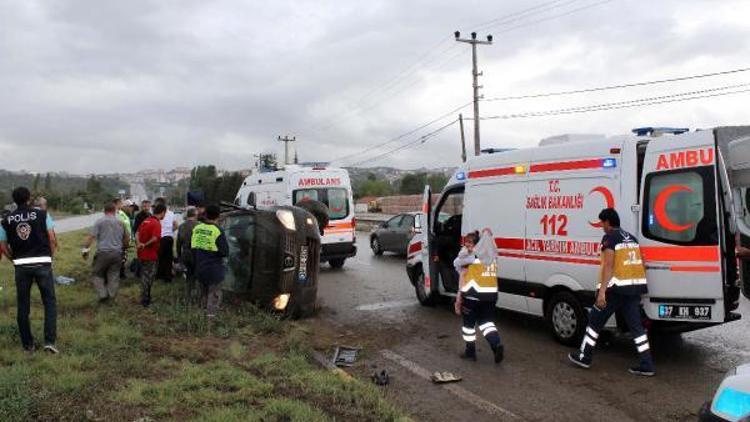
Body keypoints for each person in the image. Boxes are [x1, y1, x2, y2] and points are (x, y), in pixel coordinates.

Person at [569, 208, 655, 376]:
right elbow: (642, 264)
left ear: (608, 222)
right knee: (637, 329)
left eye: (602, 222)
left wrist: (602, 293)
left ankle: (584, 356)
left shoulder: (610, 238)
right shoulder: (632, 239)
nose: (601, 225)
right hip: (633, 291)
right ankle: (647, 365)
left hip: (615, 291)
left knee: (594, 322)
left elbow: (608, 266)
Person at [0, 187, 58, 353]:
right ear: (29, 198)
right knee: (49, 303)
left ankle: (28, 345)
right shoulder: (41, 214)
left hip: (21, 265)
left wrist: (14, 260)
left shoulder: (6, 220)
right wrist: (49, 258)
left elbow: (3, 247)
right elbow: (52, 239)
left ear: (14, 200)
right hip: (43, 263)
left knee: (23, 305)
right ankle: (50, 343)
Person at [453, 230, 504, 363]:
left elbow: (456, 263)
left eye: (469, 242)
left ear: (476, 244)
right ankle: (496, 344)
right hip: (490, 297)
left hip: (473, 297)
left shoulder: (471, 256)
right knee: (486, 323)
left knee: (468, 326)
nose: (467, 245)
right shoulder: (493, 256)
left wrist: (466, 251)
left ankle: (470, 352)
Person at [82, 202, 130, 303]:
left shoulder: (100, 221)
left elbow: (91, 237)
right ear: (115, 211)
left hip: (103, 253)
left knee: (97, 274)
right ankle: (111, 296)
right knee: (114, 275)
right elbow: (127, 237)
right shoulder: (121, 222)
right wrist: (124, 248)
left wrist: (85, 250)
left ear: (104, 211)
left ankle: (103, 294)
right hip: (117, 253)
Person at [191, 204, 229, 318]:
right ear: (218, 216)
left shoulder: (197, 228)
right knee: (213, 296)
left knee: (202, 296)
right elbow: (225, 252)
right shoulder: (217, 230)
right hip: (214, 270)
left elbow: (192, 248)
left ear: (206, 215)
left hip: (200, 268)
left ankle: (199, 320)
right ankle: (210, 322)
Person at [136, 203, 166, 307]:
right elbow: (155, 238)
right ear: (162, 212)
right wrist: (144, 244)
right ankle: (145, 300)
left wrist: (139, 243)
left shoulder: (146, 220)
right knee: (149, 278)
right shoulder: (156, 223)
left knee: (144, 276)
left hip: (141, 254)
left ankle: (144, 298)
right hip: (151, 255)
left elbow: (137, 232)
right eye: (164, 214)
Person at [176, 207, 199, 303]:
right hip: (196, 253)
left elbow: (178, 243)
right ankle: (196, 295)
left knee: (189, 275)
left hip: (185, 253)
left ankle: (187, 297)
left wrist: (179, 255)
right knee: (197, 275)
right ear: (195, 215)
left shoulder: (181, 226)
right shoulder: (199, 225)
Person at [154, 198, 177, 282]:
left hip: (161, 238)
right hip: (169, 238)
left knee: (159, 257)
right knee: (168, 258)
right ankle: (168, 277)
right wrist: (170, 231)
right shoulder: (171, 213)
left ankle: (160, 275)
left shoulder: (158, 213)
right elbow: (176, 225)